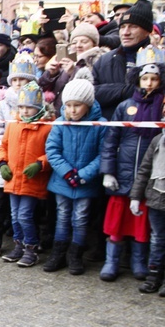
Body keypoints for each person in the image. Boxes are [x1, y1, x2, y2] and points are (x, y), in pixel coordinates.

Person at [99, 51, 165, 282]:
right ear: (138, 79)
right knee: (117, 221)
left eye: (154, 79)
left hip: (148, 177)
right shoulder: (124, 106)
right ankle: (112, 261)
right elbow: (111, 140)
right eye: (145, 78)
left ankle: (139, 261)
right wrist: (108, 170)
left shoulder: (162, 106)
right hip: (122, 172)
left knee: (142, 224)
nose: (149, 83)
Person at [43, 79, 107, 275]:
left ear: (87, 104)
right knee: (62, 217)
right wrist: (67, 173)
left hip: (86, 182)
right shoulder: (61, 123)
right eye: (68, 105)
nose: (72, 110)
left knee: (80, 218)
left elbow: (103, 153)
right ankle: (59, 253)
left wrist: (83, 175)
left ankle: (75, 255)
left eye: (77, 106)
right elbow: (52, 150)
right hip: (63, 181)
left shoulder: (100, 124)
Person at [0, 82, 53, 266]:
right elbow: (3, 146)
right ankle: (19, 245)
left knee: (24, 215)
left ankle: (31, 247)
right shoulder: (13, 125)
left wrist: (40, 164)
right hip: (13, 178)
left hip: (31, 180)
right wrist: (3, 163)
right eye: (22, 107)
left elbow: (52, 152)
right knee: (14, 215)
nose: (25, 111)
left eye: (29, 107)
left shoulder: (47, 127)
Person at [93, 0, 154, 119]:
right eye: (123, 27)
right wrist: (122, 90)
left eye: (133, 27)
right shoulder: (104, 61)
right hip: (110, 132)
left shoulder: (158, 60)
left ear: (147, 31)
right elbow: (91, 93)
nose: (126, 32)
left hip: (146, 133)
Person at [130, 129, 165, 296]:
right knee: (157, 239)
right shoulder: (158, 140)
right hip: (157, 197)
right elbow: (144, 169)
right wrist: (135, 197)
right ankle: (154, 275)